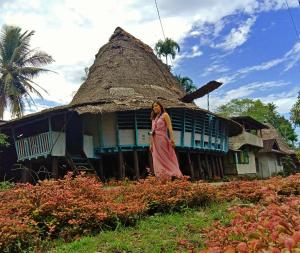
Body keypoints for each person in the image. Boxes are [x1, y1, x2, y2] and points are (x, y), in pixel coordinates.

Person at [149, 101, 183, 180]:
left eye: (156, 106)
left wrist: (172, 139)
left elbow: (170, 127)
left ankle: (173, 173)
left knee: (165, 157)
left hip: (162, 138)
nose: (155, 108)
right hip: (155, 140)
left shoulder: (165, 115)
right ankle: (162, 176)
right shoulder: (154, 118)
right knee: (157, 158)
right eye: (153, 107)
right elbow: (151, 131)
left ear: (160, 106)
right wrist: (150, 143)